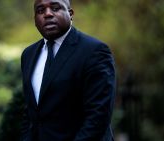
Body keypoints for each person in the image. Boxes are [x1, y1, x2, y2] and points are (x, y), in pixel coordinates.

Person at [20, 0, 116, 140]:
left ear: (70, 14)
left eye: (55, 8)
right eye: (40, 10)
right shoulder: (28, 55)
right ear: (35, 19)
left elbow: (98, 115)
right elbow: (30, 112)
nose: (47, 14)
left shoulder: (94, 51)